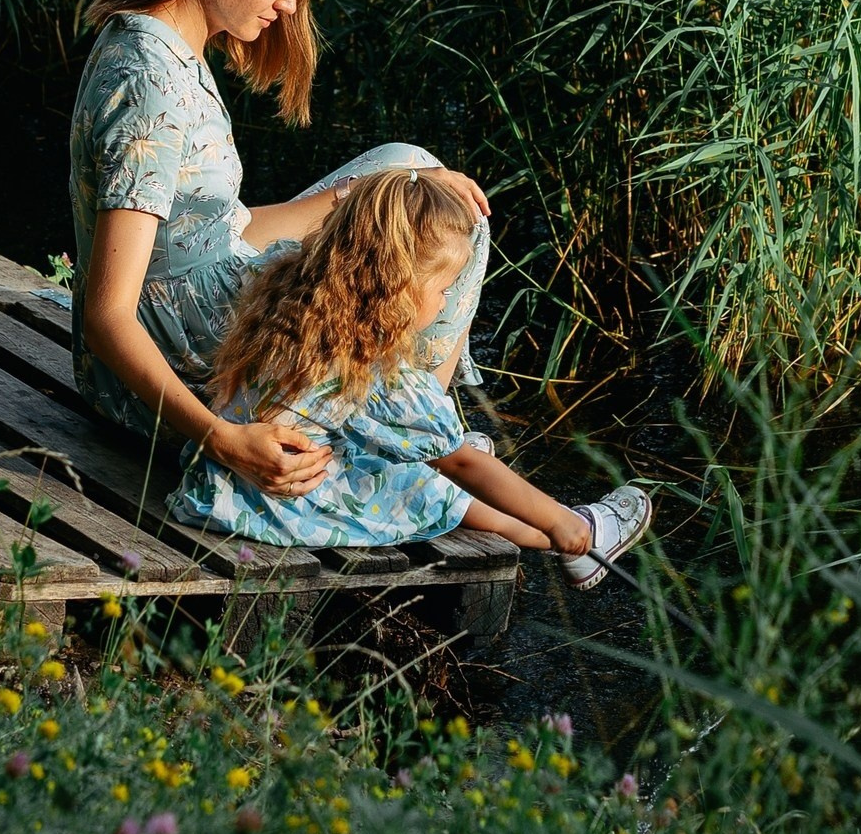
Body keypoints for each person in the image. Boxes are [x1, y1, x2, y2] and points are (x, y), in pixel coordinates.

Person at [70, 0, 488, 496]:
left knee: (416, 175)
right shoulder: (152, 85)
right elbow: (107, 314)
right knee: (451, 229)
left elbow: (208, 233)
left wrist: (369, 197)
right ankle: (414, 447)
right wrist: (221, 437)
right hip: (187, 377)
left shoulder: (158, 42)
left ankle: (411, 427)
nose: (290, 5)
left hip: (199, 314)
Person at [168, 170, 652, 584]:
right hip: (270, 506)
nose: (444, 303)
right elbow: (461, 465)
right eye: (441, 289)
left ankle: (547, 522)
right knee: (430, 482)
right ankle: (574, 540)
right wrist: (556, 520)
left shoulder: (287, 287)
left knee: (413, 457)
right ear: (398, 290)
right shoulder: (368, 367)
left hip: (220, 479)